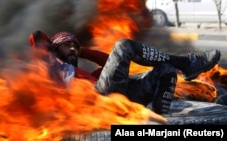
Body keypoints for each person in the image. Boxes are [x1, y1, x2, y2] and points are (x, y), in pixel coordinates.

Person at [29, 31, 221, 115]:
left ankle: (157, 113)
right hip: (95, 101)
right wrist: (53, 50)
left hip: (118, 98)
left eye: (74, 45)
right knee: (123, 45)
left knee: (166, 70)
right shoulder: (51, 67)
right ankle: (186, 64)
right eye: (66, 45)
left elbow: (108, 62)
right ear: (55, 49)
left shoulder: (91, 75)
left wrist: (82, 50)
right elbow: (36, 38)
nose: (71, 48)